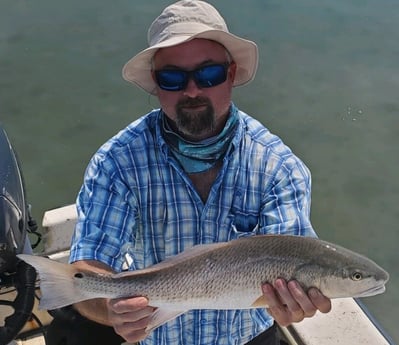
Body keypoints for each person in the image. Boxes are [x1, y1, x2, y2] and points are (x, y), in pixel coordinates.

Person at [57, 1, 332, 344]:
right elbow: (90, 264)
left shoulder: (278, 167)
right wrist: (109, 309)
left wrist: (292, 304)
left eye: (208, 74)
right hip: (156, 336)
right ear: (156, 84)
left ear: (230, 75)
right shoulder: (117, 162)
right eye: (172, 78)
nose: (192, 90)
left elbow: (294, 258)